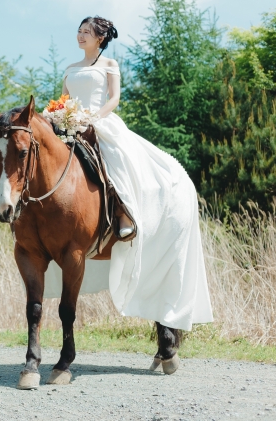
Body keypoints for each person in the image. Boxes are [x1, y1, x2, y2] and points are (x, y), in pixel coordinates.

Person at [62, 16, 212, 330]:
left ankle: (123, 214)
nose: (80, 36)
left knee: (115, 161)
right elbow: (64, 99)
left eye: (86, 32)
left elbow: (113, 99)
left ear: (100, 38)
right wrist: (61, 116)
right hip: (69, 125)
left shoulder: (109, 64)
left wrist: (92, 118)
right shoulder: (71, 68)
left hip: (98, 123)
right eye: (79, 31)